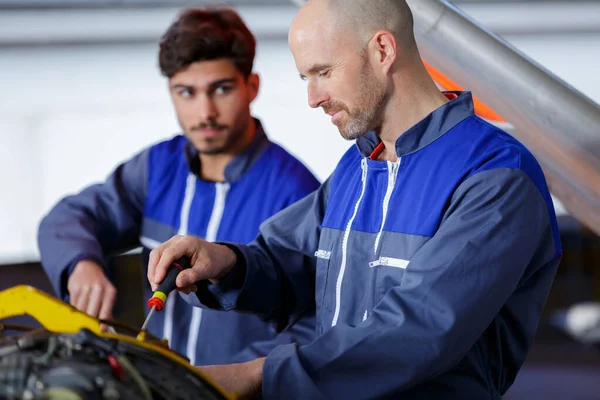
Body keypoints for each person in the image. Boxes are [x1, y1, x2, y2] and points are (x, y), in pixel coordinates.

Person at [147, 0, 562, 398]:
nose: (313, 98)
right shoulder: (360, 166)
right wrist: (226, 263)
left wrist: (255, 374)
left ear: (382, 49)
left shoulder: (495, 177)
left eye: (323, 72)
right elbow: (294, 260)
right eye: (305, 78)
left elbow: (418, 330)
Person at [37, 6, 320, 367]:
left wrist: (235, 380)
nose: (205, 112)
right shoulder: (157, 168)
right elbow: (69, 219)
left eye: (221, 89)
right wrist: (81, 265)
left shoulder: (298, 194)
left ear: (252, 87)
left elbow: (313, 326)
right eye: (186, 92)